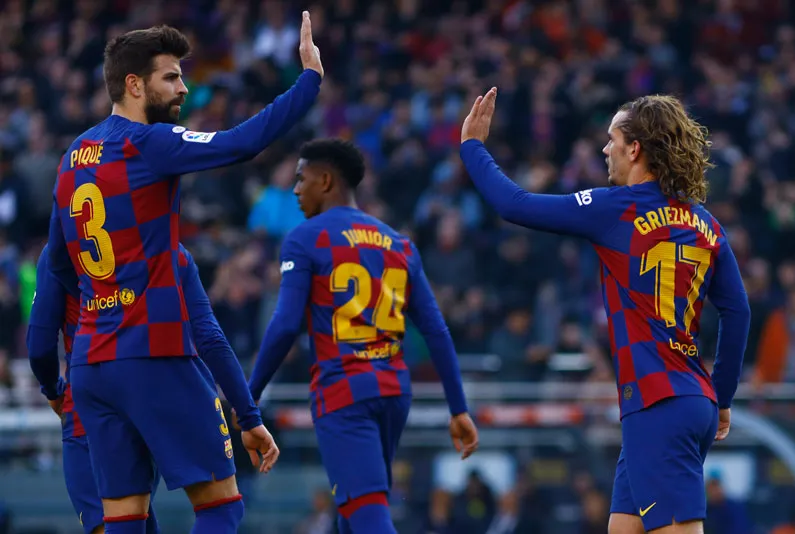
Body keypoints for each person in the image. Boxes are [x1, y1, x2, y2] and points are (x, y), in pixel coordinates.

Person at [45, 14, 323, 532]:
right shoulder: (148, 144)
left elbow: (55, 268)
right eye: (171, 76)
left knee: (125, 520)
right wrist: (309, 81)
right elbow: (240, 143)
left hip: (92, 366)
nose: (183, 86)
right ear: (134, 84)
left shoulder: (69, 161)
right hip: (152, 354)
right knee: (221, 505)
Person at [460, 89, 751, 534]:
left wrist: (474, 148)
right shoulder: (706, 223)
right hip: (681, 401)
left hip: (659, 404)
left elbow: (513, 204)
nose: (604, 148)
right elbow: (738, 312)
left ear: (634, 148)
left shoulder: (615, 208)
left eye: (611, 138)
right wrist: (723, 397)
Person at [246, 138, 479, 534]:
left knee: (367, 513)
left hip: (343, 390)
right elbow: (436, 330)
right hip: (392, 391)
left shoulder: (307, 238)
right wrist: (458, 408)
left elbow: (285, 325)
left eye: (301, 180)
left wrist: (247, 397)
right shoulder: (399, 243)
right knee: (353, 508)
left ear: (325, 180)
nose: (295, 189)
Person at [28, 243, 261, 534]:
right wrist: (249, 413)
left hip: (89, 399)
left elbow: (39, 347)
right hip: (157, 390)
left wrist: (53, 391)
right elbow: (210, 337)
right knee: (221, 507)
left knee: (121, 524)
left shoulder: (62, 249)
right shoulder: (165, 244)